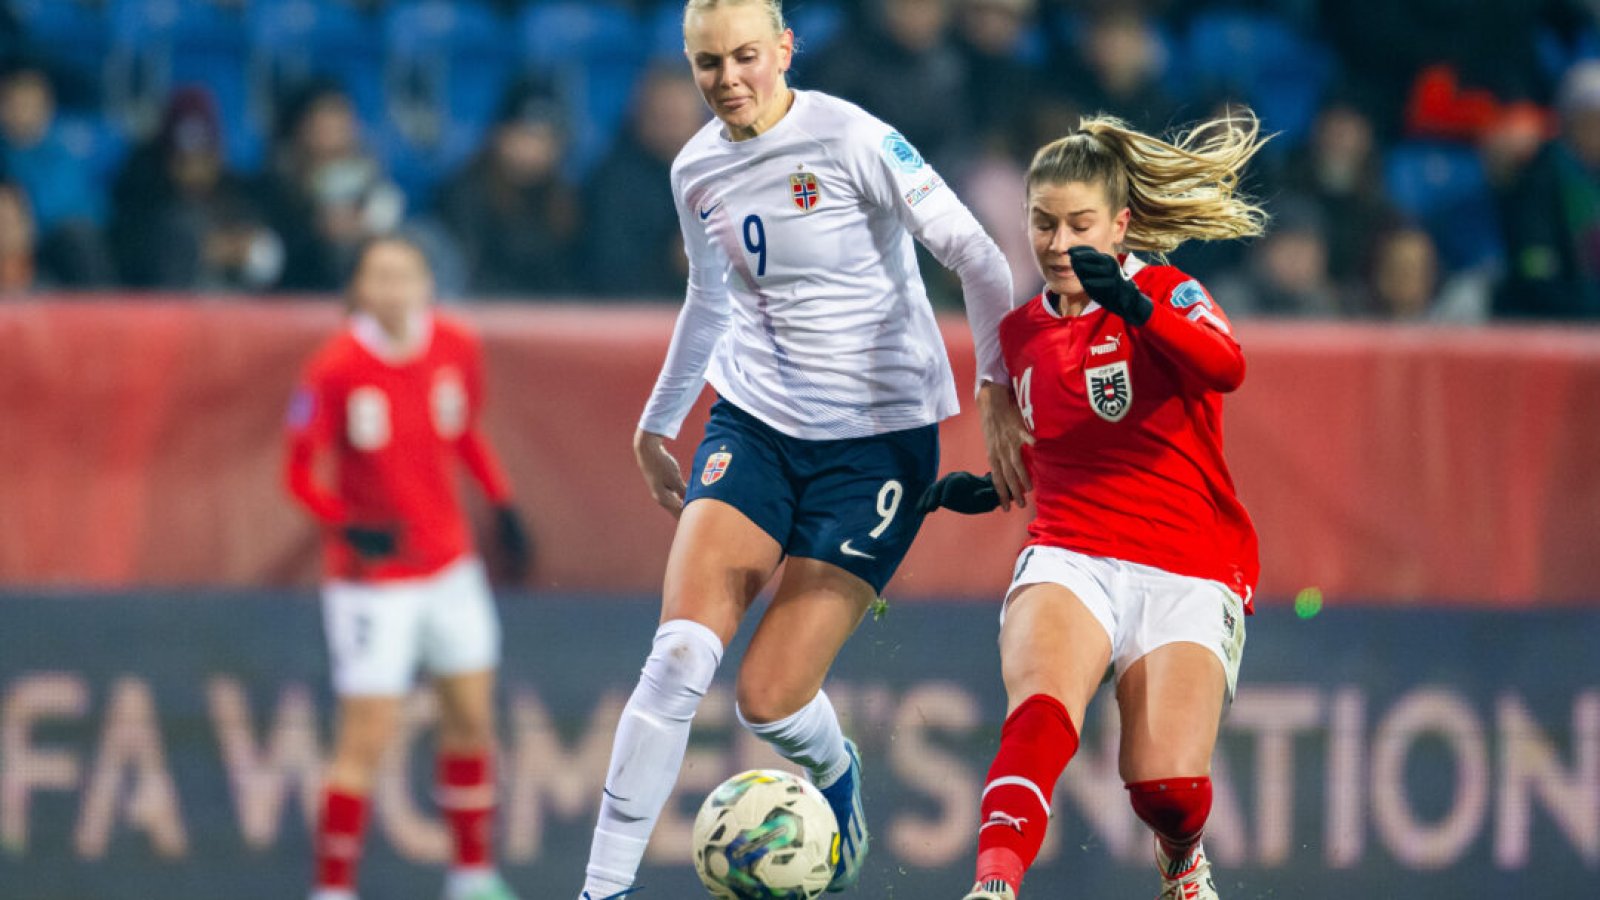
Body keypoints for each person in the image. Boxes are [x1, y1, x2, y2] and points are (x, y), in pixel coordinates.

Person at [576, 1, 1027, 898]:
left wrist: (997, 390)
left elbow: (980, 260)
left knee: (767, 698)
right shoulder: (695, 166)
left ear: (785, 48)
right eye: (708, 65)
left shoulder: (855, 139)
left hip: (878, 449)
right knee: (675, 659)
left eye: (746, 57)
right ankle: (600, 889)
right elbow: (709, 301)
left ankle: (836, 770)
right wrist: (658, 420)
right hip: (755, 425)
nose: (729, 81)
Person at [919, 110, 1269, 900]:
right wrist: (1002, 482)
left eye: (1079, 223)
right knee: (1041, 709)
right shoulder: (1019, 334)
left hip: (1187, 559)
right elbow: (1068, 432)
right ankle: (994, 886)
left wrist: (1141, 303)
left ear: (1120, 224)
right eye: (1042, 223)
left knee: (1167, 791)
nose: (1056, 242)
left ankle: (1181, 855)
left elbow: (1226, 368)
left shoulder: (1167, 290)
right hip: (1071, 546)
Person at [284, 236, 532, 900]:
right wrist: (346, 522)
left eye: (406, 275)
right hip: (375, 580)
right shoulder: (334, 367)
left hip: (450, 567)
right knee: (366, 736)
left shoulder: (457, 346)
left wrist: (502, 504)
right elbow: (298, 472)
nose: (394, 290)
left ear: (427, 283)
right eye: (379, 277)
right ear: (360, 290)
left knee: (472, 717)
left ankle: (473, 875)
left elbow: (465, 432)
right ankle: (333, 889)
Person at [436, 77, 583, 296]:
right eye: (523, 135)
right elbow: (468, 279)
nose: (531, 148)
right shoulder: (465, 195)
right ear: (499, 134)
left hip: (554, 323)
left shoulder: (564, 202)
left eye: (543, 139)